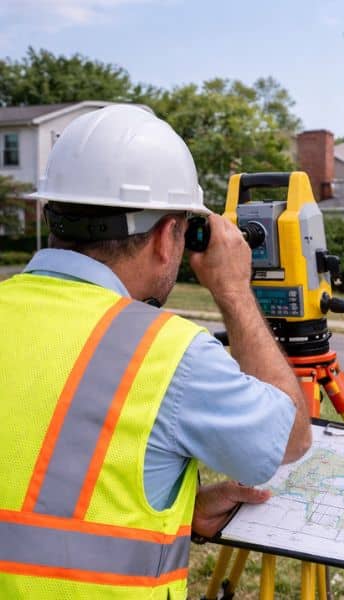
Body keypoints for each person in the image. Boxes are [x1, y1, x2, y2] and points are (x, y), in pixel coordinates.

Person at [0, 104, 311, 598]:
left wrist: (181, 513)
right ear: (169, 237)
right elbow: (289, 441)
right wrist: (233, 290)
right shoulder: (165, 353)